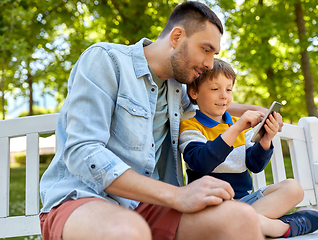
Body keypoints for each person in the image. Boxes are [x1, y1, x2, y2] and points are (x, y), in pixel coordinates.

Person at [39, 2, 283, 240]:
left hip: (149, 206)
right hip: (84, 199)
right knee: (128, 231)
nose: (209, 64)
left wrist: (259, 112)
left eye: (214, 54)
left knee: (241, 218)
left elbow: (211, 103)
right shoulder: (106, 61)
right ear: (176, 37)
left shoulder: (176, 88)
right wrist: (177, 195)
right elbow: (84, 152)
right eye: (205, 49)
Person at [179, 58, 318, 238]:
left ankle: (249, 222)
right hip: (213, 207)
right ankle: (281, 227)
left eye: (229, 89)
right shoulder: (191, 127)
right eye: (215, 89)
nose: (224, 95)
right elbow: (201, 162)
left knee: (294, 188)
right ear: (194, 92)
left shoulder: (238, 126)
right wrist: (236, 129)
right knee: (228, 214)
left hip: (246, 203)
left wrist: (265, 141)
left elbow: (255, 165)